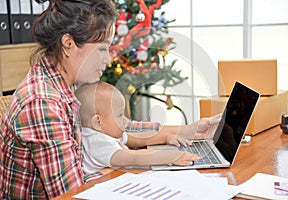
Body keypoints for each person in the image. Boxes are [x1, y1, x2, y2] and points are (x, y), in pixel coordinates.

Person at [0, 0, 118, 199]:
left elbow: (115, 121)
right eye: (101, 49)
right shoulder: (43, 102)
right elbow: (72, 194)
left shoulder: (71, 80)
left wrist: (166, 133)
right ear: (68, 44)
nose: (108, 59)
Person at [75, 81, 221, 173]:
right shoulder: (98, 142)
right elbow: (132, 158)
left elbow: (137, 138)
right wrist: (170, 156)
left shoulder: (105, 132)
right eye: (120, 115)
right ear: (98, 122)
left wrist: (166, 137)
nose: (125, 121)